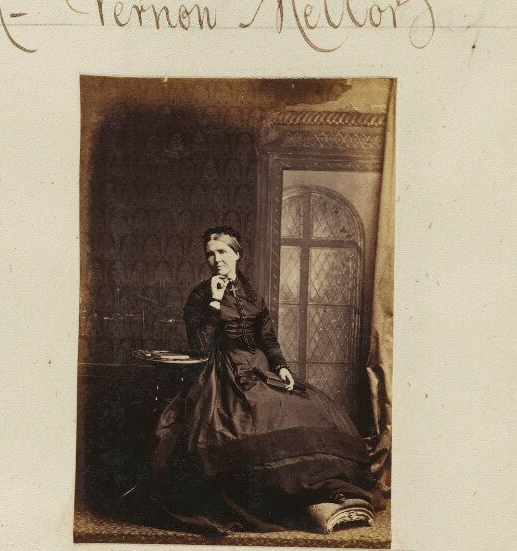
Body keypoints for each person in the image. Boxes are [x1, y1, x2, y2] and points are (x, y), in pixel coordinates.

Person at [150, 226, 379, 534]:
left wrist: (281, 366)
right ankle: (269, 498)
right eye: (210, 254)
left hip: (257, 368)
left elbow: (267, 337)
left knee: (301, 406)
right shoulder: (200, 295)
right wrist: (215, 301)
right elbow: (201, 346)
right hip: (221, 374)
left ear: (237, 254)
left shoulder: (252, 294)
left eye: (222, 252)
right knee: (246, 420)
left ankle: (309, 491)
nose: (216, 259)